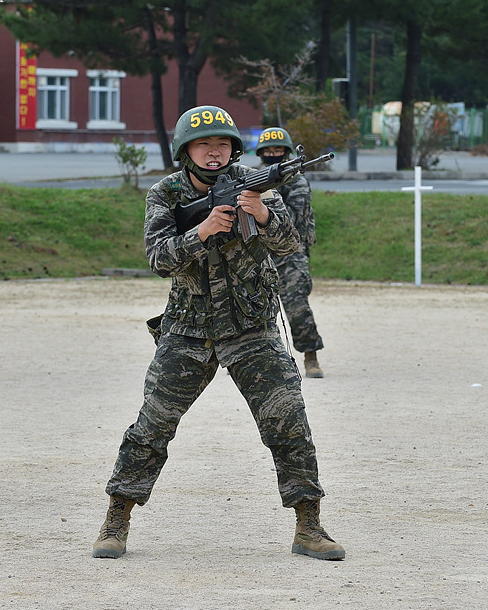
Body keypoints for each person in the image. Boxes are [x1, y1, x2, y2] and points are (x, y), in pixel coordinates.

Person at [93, 105, 344, 561]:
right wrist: (203, 230)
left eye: (223, 145)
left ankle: (309, 525)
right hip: (188, 329)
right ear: (185, 151)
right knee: (152, 426)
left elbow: (290, 244)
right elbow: (158, 259)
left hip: (252, 326)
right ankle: (117, 518)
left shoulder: (256, 184)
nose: (215, 153)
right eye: (205, 145)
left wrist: (262, 214)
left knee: (288, 422)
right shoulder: (165, 194)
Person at [254, 127, 326, 378]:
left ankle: (310, 355)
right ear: (261, 153)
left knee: (296, 305)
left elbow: (293, 220)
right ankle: (250, 359)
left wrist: (266, 197)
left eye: (278, 150)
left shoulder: (296, 180)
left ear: (285, 153)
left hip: (291, 251)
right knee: (255, 308)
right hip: (260, 251)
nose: (273, 154)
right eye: (268, 151)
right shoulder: (253, 177)